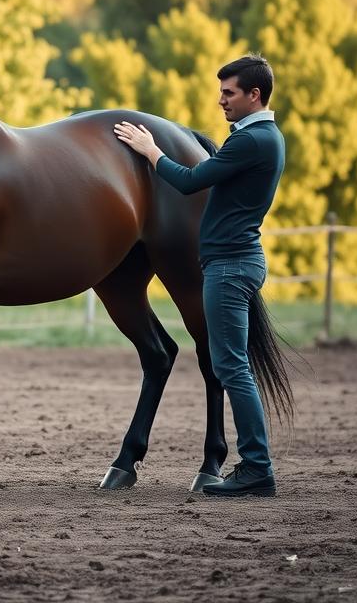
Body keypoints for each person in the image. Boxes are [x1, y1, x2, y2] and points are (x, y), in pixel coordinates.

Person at [113, 54, 285, 497]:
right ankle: (254, 464)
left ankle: (256, 467)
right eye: (221, 91)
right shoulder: (263, 138)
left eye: (229, 93)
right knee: (233, 364)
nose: (221, 100)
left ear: (255, 95)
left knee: (231, 366)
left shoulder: (253, 142)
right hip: (234, 261)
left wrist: (151, 151)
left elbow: (190, 181)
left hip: (229, 266)